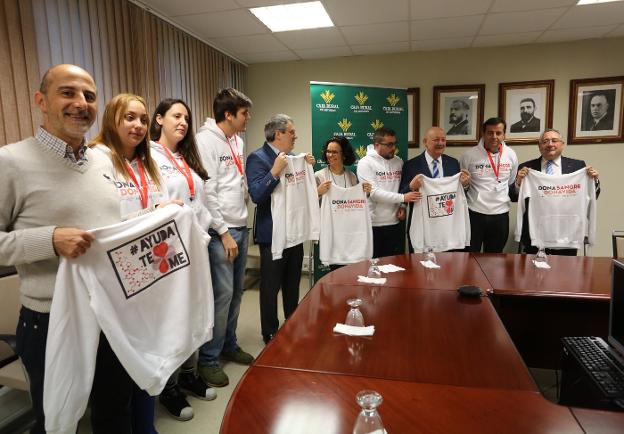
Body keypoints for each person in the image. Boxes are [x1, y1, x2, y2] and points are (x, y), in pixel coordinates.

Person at [0, 64, 134, 434]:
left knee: (114, 411)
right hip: (49, 319)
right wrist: (50, 239)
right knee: (59, 421)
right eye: (68, 93)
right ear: (41, 101)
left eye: (89, 96)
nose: (81, 103)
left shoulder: (105, 160)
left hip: (110, 312)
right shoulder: (10, 161)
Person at [89, 93, 183, 434]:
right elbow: (98, 221)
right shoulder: (94, 160)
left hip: (148, 281)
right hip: (112, 286)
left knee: (147, 364)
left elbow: (156, 215)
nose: (139, 125)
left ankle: (146, 427)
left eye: (143, 119)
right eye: (130, 117)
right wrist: (153, 214)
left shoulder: (147, 164)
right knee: (114, 382)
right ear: (112, 119)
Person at [149, 99, 216, 421]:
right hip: (167, 254)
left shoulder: (184, 158)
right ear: (158, 118)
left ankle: (190, 373)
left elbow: (198, 202)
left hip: (195, 247)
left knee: (195, 313)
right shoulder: (148, 156)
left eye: (186, 118)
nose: (183, 122)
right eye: (176, 116)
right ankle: (169, 386)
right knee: (173, 320)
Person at [195, 88, 255, 389]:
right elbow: (208, 191)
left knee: (237, 294)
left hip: (240, 224)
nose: (248, 118)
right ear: (228, 114)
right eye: (244, 113)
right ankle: (208, 360)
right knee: (222, 295)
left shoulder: (237, 140)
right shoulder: (204, 141)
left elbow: (236, 182)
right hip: (222, 231)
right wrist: (222, 232)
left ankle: (229, 343)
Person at [245, 114, 315, 344]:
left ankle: (292, 324)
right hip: (272, 235)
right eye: (291, 132)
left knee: (292, 284)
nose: (296, 136)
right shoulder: (257, 158)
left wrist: (308, 168)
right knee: (270, 288)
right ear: (278, 134)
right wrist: (274, 172)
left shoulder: (294, 158)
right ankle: (270, 332)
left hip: (293, 233)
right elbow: (256, 196)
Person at [511, 128, 601, 255]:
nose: (550, 144)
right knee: (533, 273)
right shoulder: (527, 168)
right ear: (539, 146)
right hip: (535, 236)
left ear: (562, 144)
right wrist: (519, 183)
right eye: (545, 141)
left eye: (554, 140)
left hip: (568, 236)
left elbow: (592, 196)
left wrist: (594, 181)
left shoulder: (578, 166)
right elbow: (514, 197)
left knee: (565, 274)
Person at [399, 126, 470, 252]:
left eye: (443, 140)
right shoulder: (411, 165)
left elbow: (458, 194)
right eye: (436, 140)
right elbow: (401, 194)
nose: (441, 143)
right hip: (423, 227)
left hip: (448, 228)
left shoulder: (453, 163)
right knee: (421, 267)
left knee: (449, 267)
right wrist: (411, 187)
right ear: (425, 142)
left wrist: (464, 184)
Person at [356, 127, 420, 258]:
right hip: (373, 224)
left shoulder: (398, 161)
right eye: (389, 144)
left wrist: (402, 205)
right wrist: (403, 198)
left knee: (394, 267)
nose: (393, 148)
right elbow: (375, 193)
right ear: (377, 145)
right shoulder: (365, 163)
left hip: (395, 223)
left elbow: (403, 186)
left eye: (394, 143)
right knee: (374, 268)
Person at [460, 117, 518, 253]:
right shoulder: (469, 155)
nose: (494, 137)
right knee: (470, 256)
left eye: (498, 133)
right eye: (490, 133)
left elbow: (510, 182)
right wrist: (465, 184)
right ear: (483, 133)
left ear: (504, 135)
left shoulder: (511, 155)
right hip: (474, 213)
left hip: (500, 215)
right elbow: (463, 185)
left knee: (495, 259)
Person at [315, 136, 372, 269]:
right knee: (335, 273)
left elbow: (356, 203)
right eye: (328, 151)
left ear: (344, 155)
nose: (330, 155)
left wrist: (366, 192)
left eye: (334, 152)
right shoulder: (319, 175)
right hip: (331, 232)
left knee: (350, 272)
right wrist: (317, 192)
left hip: (349, 232)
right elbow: (309, 205)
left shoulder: (351, 176)